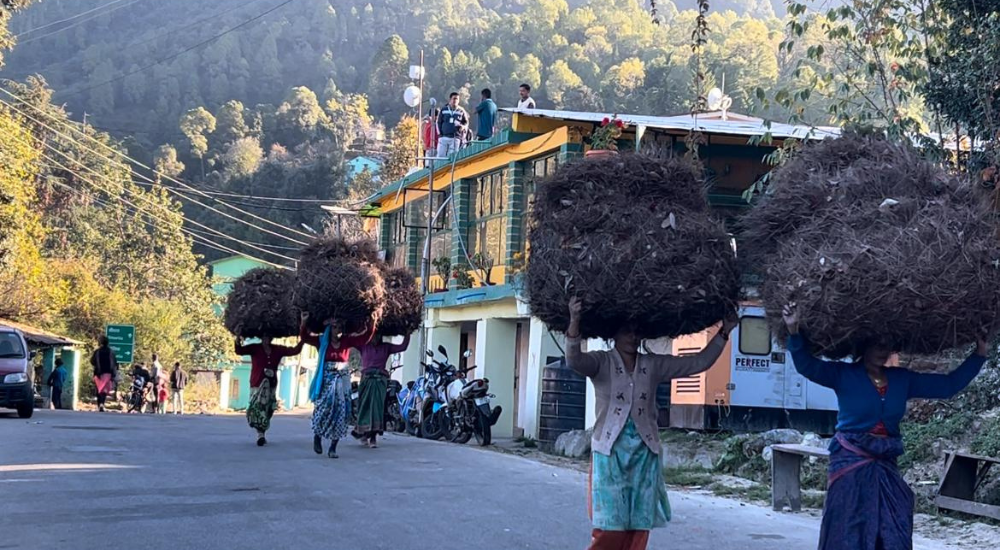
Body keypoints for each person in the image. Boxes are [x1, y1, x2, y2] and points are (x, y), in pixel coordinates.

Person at [782, 302, 987, 550]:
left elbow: (948, 386)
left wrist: (979, 355)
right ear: (864, 346)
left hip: (885, 463)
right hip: (850, 461)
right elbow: (807, 366)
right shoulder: (843, 375)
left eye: (887, 345)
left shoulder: (902, 380)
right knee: (849, 526)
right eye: (877, 345)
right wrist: (793, 331)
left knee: (896, 520)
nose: (883, 351)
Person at [565, 297, 736, 550]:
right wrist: (575, 320)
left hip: (645, 453)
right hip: (610, 454)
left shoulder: (652, 364)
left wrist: (725, 331)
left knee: (639, 526)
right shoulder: (601, 362)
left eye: (637, 332)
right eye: (627, 331)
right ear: (614, 334)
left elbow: (698, 362)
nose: (633, 337)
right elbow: (574, 360)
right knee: (610, 526)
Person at [301, 316, 374, 458]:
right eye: (335, 327)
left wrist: (373, 322)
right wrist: (303, 322)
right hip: (327, 379)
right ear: (329, 328)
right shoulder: (322, 342)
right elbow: (304, 337)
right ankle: (317, 435)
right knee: (322, 408)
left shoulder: (346, 341)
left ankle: (333, 447)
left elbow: (364, 338)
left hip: (342, 379)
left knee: (341, 412)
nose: (338, 330)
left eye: (340, 327)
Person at [235, 332, 304, 446]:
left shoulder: (277, 349)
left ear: (272, 338)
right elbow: (239, 351)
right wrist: (238, 339)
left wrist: (303, 340)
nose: (266, 339)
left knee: (268, 409)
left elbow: (294, 351)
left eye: (268, 337)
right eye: (264, 337)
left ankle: (262, 432)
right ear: (261, 338)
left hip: (271, 384)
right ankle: (260, 434)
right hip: (257, 383)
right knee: (257, 408)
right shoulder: (254, 348)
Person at [353, 332, 411, 448]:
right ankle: (363, 433)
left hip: (380, 381)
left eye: (378, 335)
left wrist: (407, 334)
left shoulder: (386, 347)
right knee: (364, 406)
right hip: (366, 380)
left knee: (377, 409)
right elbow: (351, 340)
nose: (376, 338)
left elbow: (402, 347)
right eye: (373, 335)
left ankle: (373, 437)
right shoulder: (363, 345)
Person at [90, 336, 118, 412]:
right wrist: (114, 374)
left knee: (99, 389)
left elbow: (92, 361)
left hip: (98, 373)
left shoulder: (97, 352)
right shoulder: (111, 352)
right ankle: (102, 404)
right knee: (104, 390)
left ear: (100, 343)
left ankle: (99, 405)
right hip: (108, 374)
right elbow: (115, 363)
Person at [437, 92, 469, 158]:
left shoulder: (461, 111)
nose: (455, 101)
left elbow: (466, 122)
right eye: (454, 99)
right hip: (444, 137)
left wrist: (463, 127)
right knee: (441, 156)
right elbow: (438, 122)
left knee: (453, 157)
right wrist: (440, 134)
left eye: (457, 99)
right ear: (450, 100)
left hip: (455, 137)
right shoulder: (443, 110)